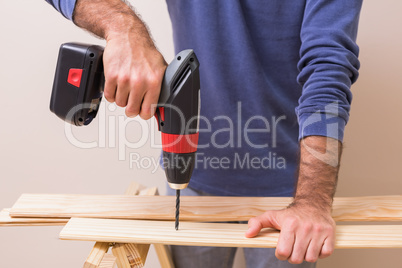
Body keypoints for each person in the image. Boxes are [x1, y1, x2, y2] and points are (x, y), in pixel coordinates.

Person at [45, 0, 363, 267]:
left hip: (292, 190)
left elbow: (328, 72)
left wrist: (312, 202)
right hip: (195, 186)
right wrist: (122, 27)